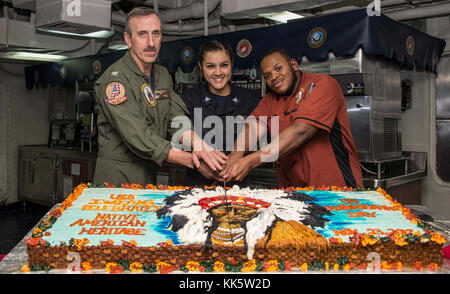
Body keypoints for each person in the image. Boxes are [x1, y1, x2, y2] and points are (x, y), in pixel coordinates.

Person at [93, 7, 226, 186]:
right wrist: (192, 160)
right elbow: (138, 137)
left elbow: (174, 118)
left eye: (155, 33)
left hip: (148, 176)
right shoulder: (115, 82)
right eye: (142, 34)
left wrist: (201, 146)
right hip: (117, 181)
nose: (151, 43)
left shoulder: (161, 75)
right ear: (128, 39)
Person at [219, 48, 363, 188]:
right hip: (293, 190)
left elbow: (301, 131)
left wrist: (250, 161)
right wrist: (234, 158)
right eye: (267, 75)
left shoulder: (322, 84)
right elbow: (251, 128)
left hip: (336, 189)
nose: (274, 76)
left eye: (278, 68)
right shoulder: (269, 100)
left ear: (294, 65)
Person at [180, 40, 260, 186]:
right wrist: (196, 162)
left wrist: (240, 160)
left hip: (240, 186)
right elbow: (176, 139)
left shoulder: (250, 98)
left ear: (232, 64)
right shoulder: (188, 99)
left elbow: (262, 143)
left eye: (224, 65)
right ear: (200, 67)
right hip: (198, 183)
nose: (218, 73)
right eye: (210, 66)